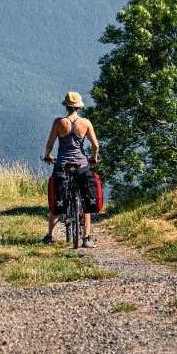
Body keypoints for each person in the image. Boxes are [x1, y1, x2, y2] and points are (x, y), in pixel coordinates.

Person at [42, 91, 100, 248]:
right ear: (79, 107)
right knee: (85, 200)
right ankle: (86, 238)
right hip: (81, 165)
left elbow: (49, 145)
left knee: (57, 198)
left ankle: (49, 236)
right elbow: (95, 146)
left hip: (62, 165)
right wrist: (93, 158)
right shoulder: (86, 123)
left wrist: (48, 156)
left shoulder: (59, 122)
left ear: (66, 106)